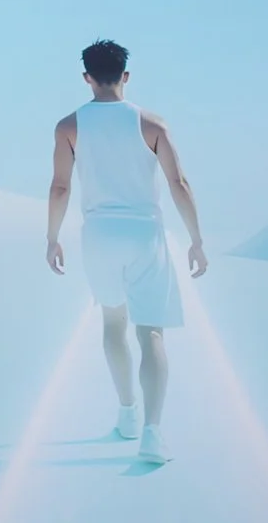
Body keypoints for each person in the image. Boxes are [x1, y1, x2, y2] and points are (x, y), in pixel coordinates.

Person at [45, 38, 209, 466]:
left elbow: (60, 186)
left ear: (87, 78)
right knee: (150, 332)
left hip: (98, 235)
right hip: (144, 234)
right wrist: (196, 240)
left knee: (113, 323)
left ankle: (127, 413)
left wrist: (52, 237)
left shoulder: (68, 127)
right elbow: (179, 184)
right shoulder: (153, 125)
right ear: (126, 75)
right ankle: (152, 434)